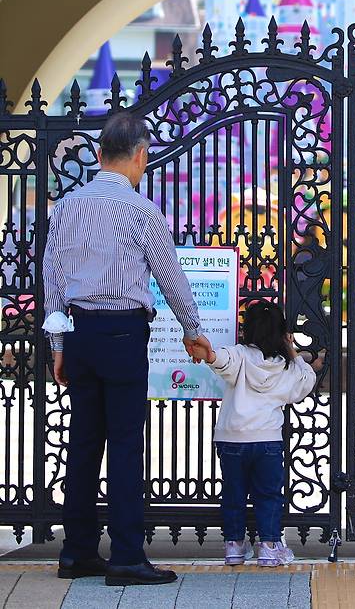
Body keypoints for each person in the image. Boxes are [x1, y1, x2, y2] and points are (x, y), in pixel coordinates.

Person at [43, 112, 212, 587]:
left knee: (83, 442)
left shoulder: (68, 207)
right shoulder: (142, 211)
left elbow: (51, 278)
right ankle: (126, 556)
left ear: (99, 156)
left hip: (77, 332)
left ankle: (75, 551)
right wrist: (191, 328)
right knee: (123, 444)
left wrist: (58, 344)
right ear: (141, 156)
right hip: (121, 333)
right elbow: (170, 276)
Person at [189, 301, 315, 567]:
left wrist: (209, 355)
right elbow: (307, 380)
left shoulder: (240, 355)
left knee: (234, 493)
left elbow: (221, 359)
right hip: (267, 439)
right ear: (281, 332)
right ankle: (269, 547)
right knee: (268, 495)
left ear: (247, 331)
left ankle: (233, 546)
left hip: (231, 438)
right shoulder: (287, 366)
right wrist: (291, 347)